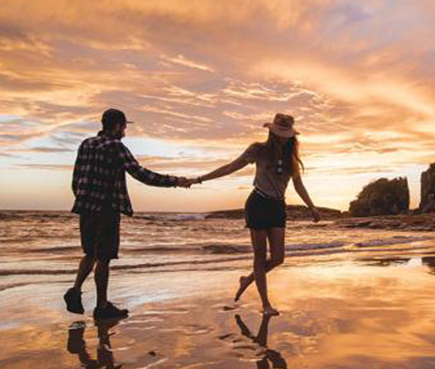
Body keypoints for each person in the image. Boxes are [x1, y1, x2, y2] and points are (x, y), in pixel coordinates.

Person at [64, 108, 193, 320]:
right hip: (106, 208)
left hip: (85, 208)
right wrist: (175, 181)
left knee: (90, 254)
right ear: (116, 126)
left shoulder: (86, 144)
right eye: (124, 127)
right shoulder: (116, 147)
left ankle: (75, 291)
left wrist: (83, 198)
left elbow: (76, 179)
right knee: (104, 257)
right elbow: (141, 174)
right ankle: (102, 306)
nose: (125, 131)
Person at [195, 113, 320, 316]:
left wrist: (312, 207)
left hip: (278, 207)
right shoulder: (258, 150)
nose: (283, 137)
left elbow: (298, 184)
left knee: (278, 258)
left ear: (291, 135)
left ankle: (247, 280)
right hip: (258, 204)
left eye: (286, 133)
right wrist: (199, 179)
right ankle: (265, 305)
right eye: (279, 133)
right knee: (260, 257)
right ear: (272, 131)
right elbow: (230, 167)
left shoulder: (291, 157)